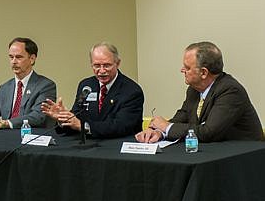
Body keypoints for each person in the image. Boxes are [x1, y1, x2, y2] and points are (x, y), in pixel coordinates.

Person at [135, 41, 263, 143]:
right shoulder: (194, 89)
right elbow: (183, 116)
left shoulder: (230, 90)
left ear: (203, 72)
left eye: (187, 67)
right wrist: (159, 132)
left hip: (244, 157)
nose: (182, 70)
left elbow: (209, 132)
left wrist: (167, 127)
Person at [41, 42, 144, 138]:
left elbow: (121, 126)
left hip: (118, 148)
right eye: (97, 66)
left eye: (107, 65)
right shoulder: (86, 86)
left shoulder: (132, 91)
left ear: (117, 63)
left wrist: (83, 126)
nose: (102, 71)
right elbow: (77, 115)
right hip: (88, 146)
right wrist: (64, 117)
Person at [0, 37, 56, 129]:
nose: (14, 62)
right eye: (11, 57)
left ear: (32, 59)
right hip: (6, 138)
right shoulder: (5, 88)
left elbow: (38, 116)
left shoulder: (45, 85)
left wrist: (4, 123)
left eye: (19, 57)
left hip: (31, 138)